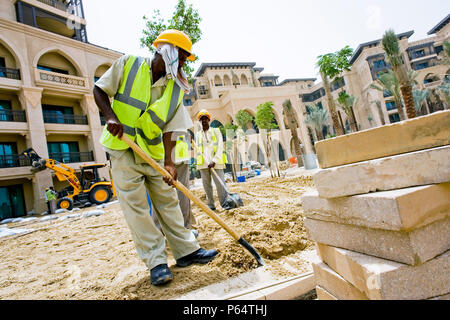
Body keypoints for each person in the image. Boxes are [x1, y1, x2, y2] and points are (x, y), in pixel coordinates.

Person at [93, 29, 218, 286]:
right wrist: (110, 116)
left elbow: (172, 128)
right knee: (137, 209)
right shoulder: (128, 64)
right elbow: (99, 90)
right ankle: (157, 262)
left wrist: (170, 163)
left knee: (168, 202)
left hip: (153, 153)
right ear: (167, 51)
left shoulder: (174, 88)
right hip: (123, 148)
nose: (183, 63)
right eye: (181, 57)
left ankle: (186, 251)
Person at [195, 110, 229, 211]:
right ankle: (211, 205)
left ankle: (225, 203)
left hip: (216, 162)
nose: (204, 120)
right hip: (203, 164)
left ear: (209, 120)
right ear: (200, 121)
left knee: (220, 183)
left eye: (205, 118)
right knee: (207, 186)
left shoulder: (216, 131)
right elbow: (198, 148)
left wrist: (214, 160)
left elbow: (220, 146)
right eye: (202, 119)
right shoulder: (198, 135)